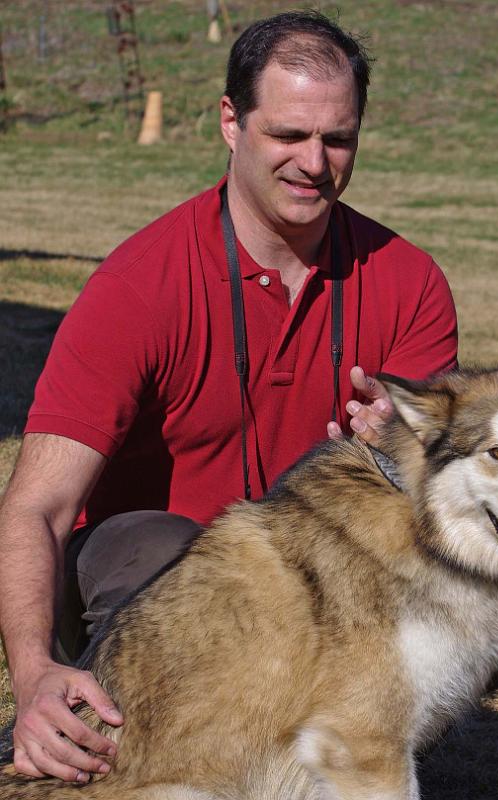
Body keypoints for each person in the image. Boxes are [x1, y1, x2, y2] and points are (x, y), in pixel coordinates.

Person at [0, 10, 463, 784]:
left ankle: (328, 733)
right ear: (229, 121)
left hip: (313, 580)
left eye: (338, 139)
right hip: (148, 572)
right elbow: (35, 505)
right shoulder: (138, 286)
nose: (314, 162)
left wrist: (402, 455)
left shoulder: (412, 284)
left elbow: (442, 514)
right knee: (174, 556)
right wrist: (33, 670)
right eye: (287, 135)